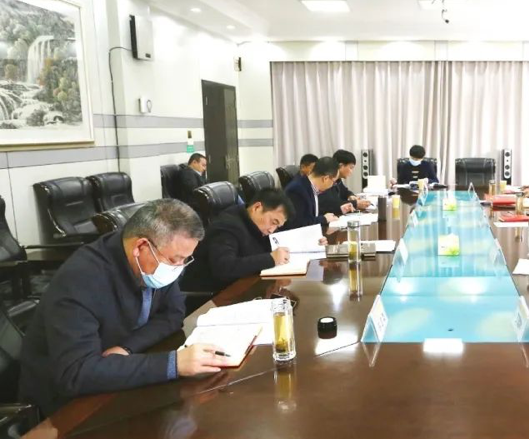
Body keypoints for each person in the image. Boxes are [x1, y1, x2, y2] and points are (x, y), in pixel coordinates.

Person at [19, 200, 231, 416]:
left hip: (117, 375)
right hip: (63, 408)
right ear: (140, 247)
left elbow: (173, 314)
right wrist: (173, 364)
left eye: (185, 259)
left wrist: (127, 347)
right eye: (175, 259)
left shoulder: (156, 262)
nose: (179, 268)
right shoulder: (80, 279)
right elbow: (75, 374)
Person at [181, 188, 311, 292]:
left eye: (277, 226)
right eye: (273, 222)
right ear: (257, 207)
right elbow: (224, 268)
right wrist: (271, 258)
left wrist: (311, 242)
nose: (272, 230)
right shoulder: (227, 226)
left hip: (243, 285)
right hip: (214, 296)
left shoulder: (252, 220)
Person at [283, 156, 340, 230]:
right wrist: (324, 219)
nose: (333, 185)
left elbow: (313, 214)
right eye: (334, 182)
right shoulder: (297, 190)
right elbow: (296, 224)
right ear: (325, 179)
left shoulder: (311, 187)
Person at [319, 150, 372, 216]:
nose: (351, 172)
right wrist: (355, 204)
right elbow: (332, 204)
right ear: (340, 166)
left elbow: (345, 191)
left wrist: (350, 196)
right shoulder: (328, 180)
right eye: (351, 168)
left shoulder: (338, 180)